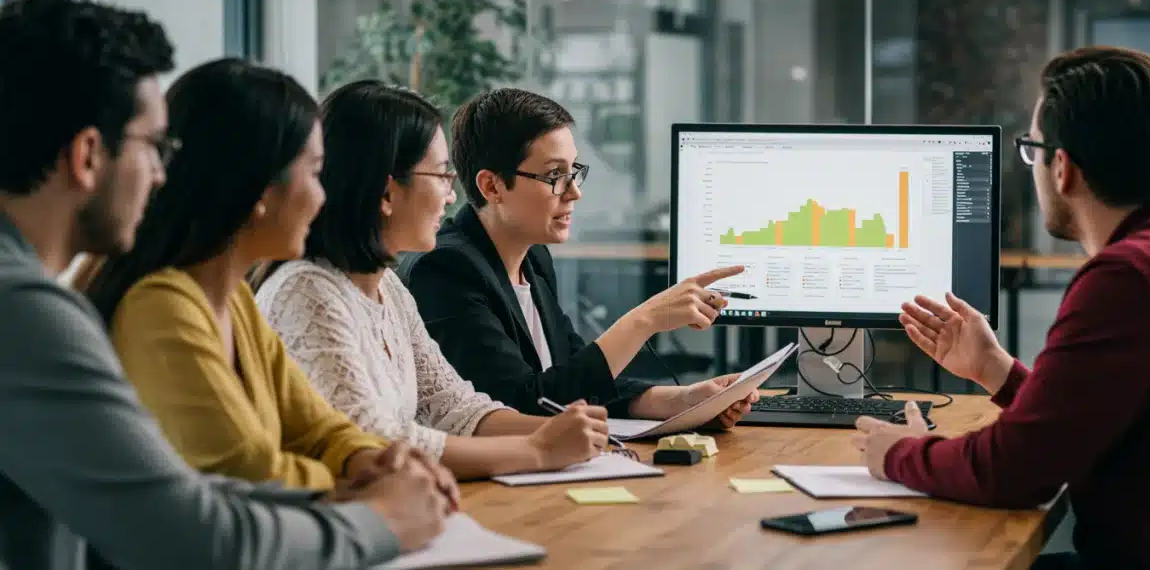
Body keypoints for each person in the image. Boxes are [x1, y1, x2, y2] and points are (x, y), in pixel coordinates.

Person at [0, 0, 446, 570]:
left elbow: (204, 494)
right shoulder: (24, 313)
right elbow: (198, 536)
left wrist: (359, 474)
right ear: (87, 154)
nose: (163, 175)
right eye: (154, 148)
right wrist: (382, 516)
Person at [852, 46, 1150, 569]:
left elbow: (1014, 472)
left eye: (1031, 148)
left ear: (1062, 168)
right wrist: (997, 371)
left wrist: (896, 454)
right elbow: (1074, 426)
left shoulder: (1126, 280)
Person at [79, 58, 460, 503]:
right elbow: (250, 472)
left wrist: (371, 460)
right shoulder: (163, 308)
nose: (324, 196)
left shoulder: (234, 298)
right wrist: (362, 483)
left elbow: (320, 428)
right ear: (261, 189)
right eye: (315, 174)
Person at [253, 80, 610, 479]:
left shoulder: (387, 288)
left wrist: (564, 432)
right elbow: (372, 441)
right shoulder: (307, 291)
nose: (452, 195)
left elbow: (453, 406)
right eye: (442, 176)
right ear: (387, 193)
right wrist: (538, 450)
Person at [401, 87, 757, 423]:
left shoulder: (533, 259)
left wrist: (686, 401)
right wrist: (643, 320)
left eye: (573, 172)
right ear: (491, 186)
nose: (573, 192)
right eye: (555, 175)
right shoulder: (444, 271)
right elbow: (523, 406)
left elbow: (574, 379)